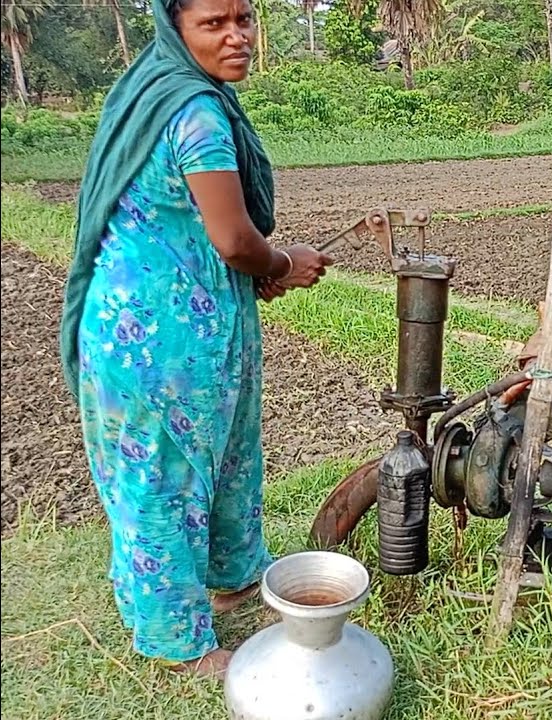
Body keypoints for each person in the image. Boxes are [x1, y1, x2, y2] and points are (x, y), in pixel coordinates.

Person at [57, 0, 331, 678]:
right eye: (214, 23)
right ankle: (178, 640)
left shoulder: (154, 86)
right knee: (162, 478)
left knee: (230, 453)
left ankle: (236, 580)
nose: (236, 36)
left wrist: (251, 271)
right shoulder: (195, 112)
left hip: (189, 320)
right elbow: (236, 240)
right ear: (174, 26)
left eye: (244, 18)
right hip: (154, 338)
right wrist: (281, 263)